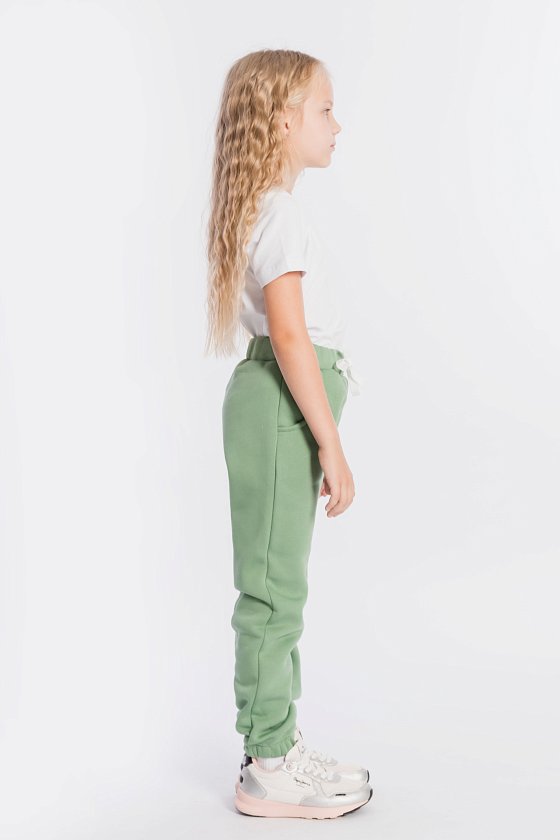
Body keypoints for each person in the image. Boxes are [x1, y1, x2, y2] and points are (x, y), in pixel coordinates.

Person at [204, 48, 372, 819]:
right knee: (274, 593)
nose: (338, 124)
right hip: (280, 406)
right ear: (282, 121)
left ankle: (277, 743)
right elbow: (292, 337)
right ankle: (268, 764)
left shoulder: (270, 209)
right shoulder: (278, 213)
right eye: (325, 109)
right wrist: (331, 443)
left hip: (277, 406)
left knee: (279, 587)